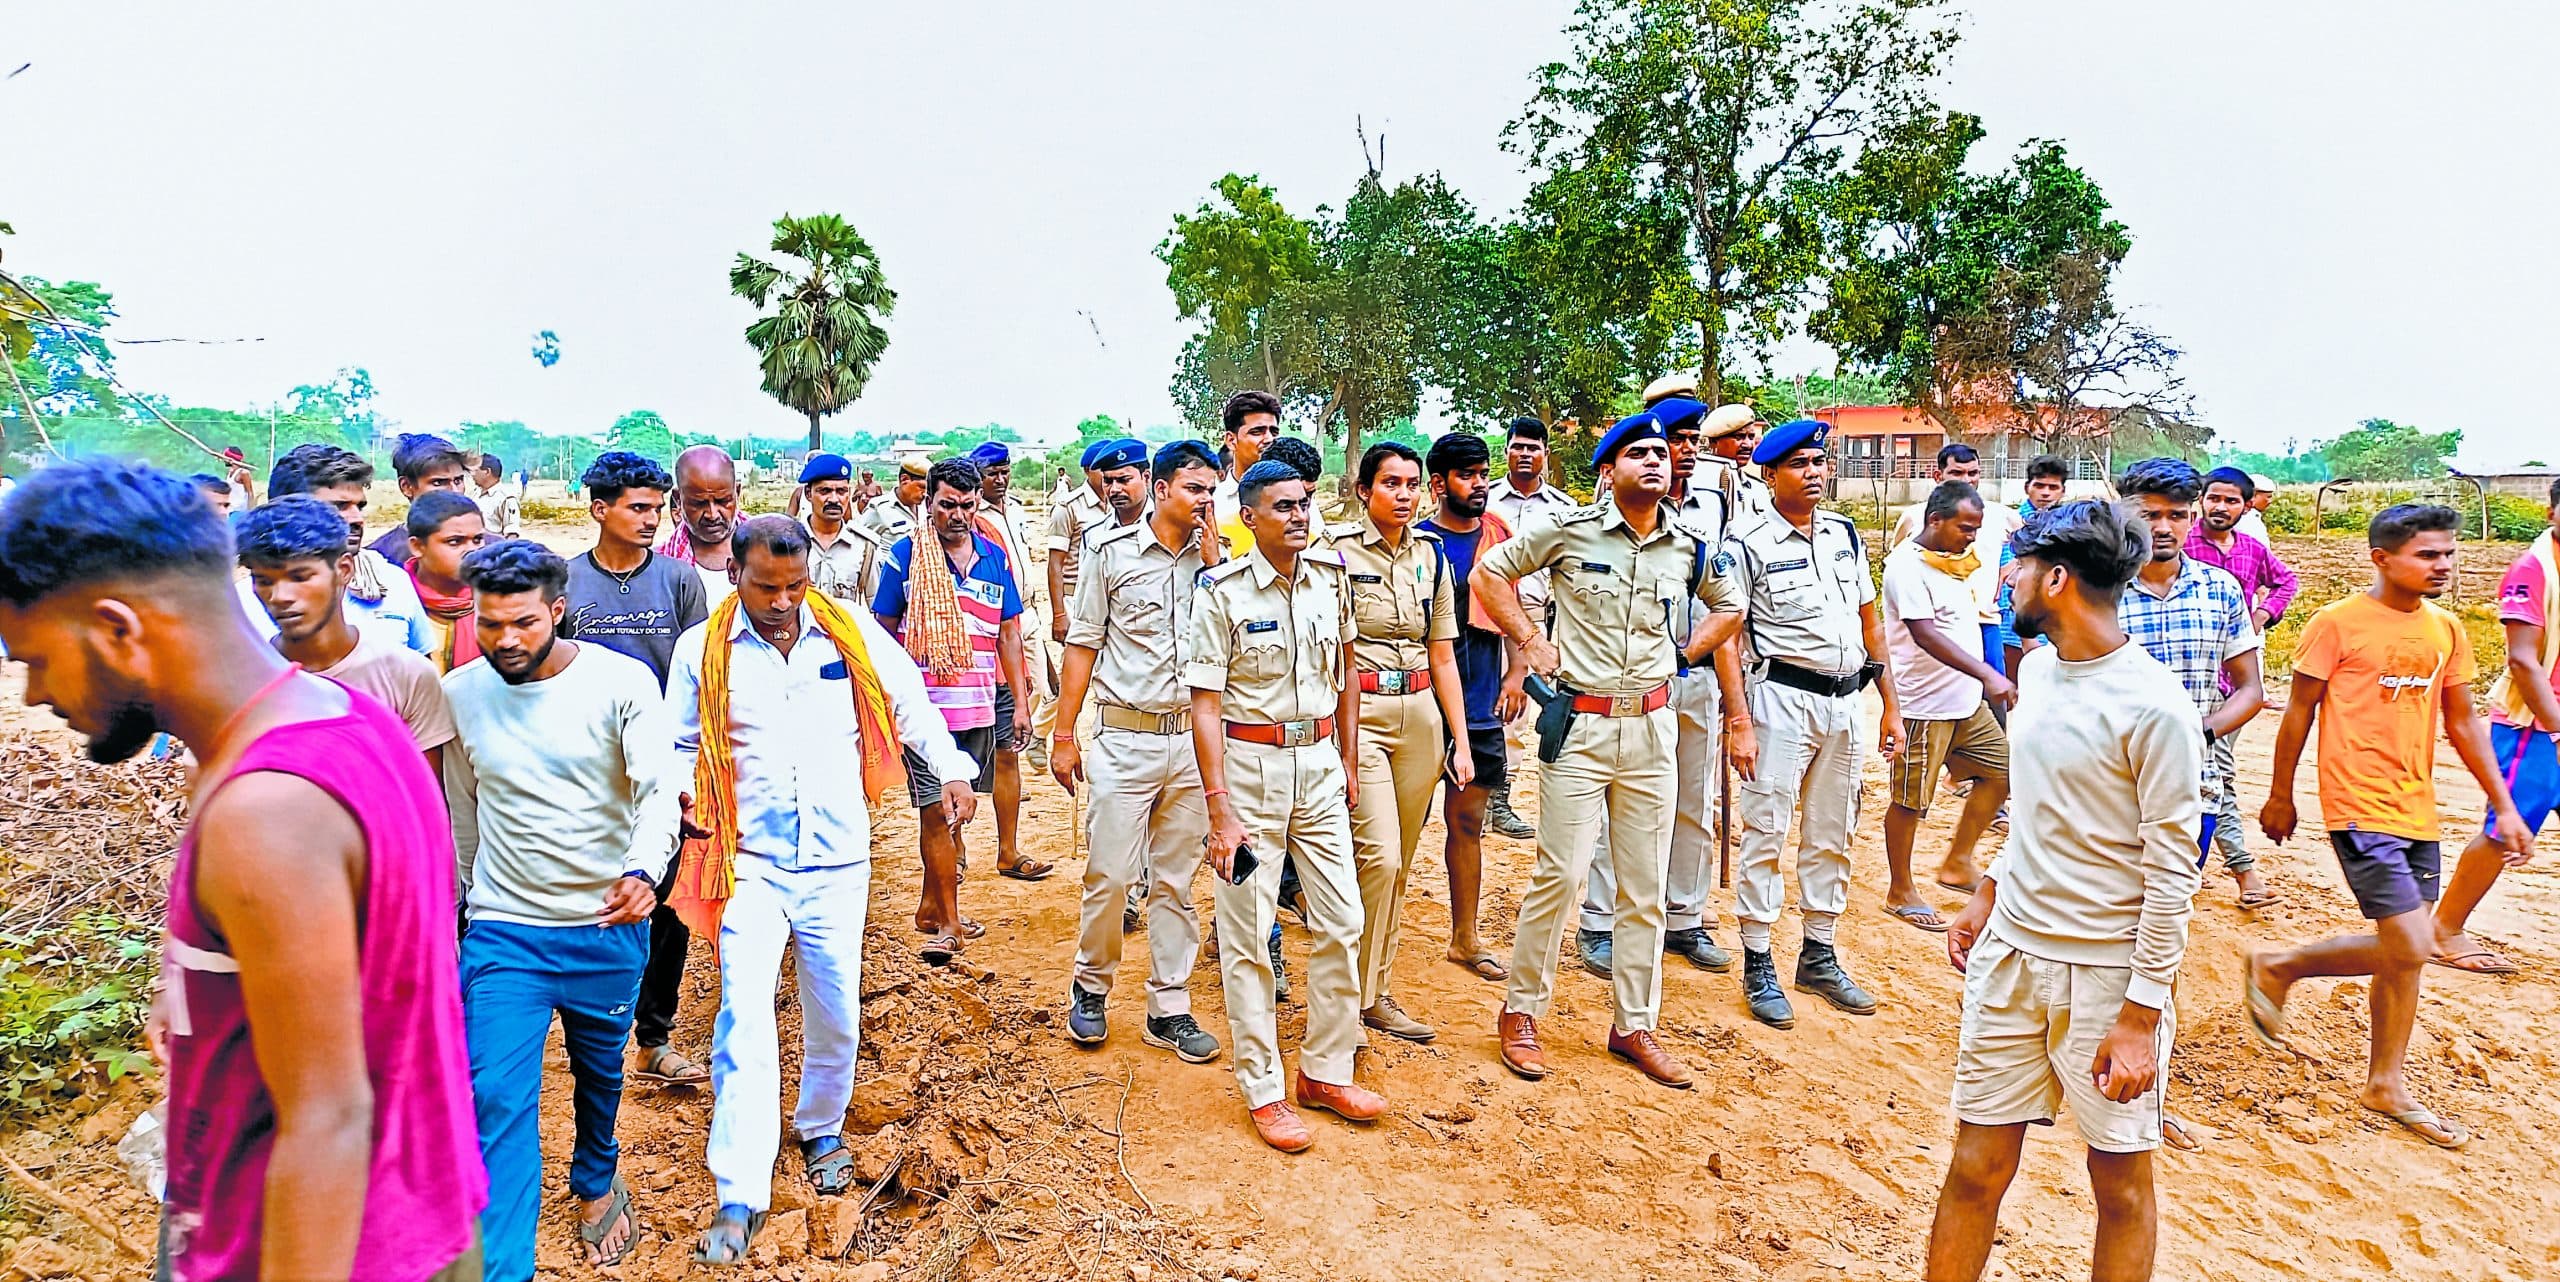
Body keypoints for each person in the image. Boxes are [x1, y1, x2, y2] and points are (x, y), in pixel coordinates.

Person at [0, 459, 483, 1282]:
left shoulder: (267, 810)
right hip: (418, 1216)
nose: (37, 693)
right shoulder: (346, 721)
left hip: (315, 1248)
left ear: (119, 628)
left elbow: (328, 1120)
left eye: (37, 658)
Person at [665, 517, 981, 1262]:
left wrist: (957, 771)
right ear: (734, 575)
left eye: (794, 586)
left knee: (835, 1009)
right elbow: (677, 745)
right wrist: (678, 797)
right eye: (765, 587)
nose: (781, 602)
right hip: (748, 864)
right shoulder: (701, 652)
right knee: (744, 1016)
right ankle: (739, 1190)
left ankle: (820, 1126)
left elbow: (911, 705)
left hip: (839, 861)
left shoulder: (850, 634)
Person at [1925, 499, 2204, 1282]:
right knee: (1975, 1165)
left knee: (2118, 1185)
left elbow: (2172, 871)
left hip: (2107, 979)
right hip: (2013, 958)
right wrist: (1990, 890)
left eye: (2018, 565)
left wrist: (2141, 1017)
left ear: (2054, 578)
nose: (2005, 577)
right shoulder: (2038, 671)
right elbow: (2043, 811)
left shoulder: (2156, 709)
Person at [1472, 411, 1744, 1088]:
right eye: (1639, 453)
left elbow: (1730, 606)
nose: (1656, 461)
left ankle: (1634, 1024)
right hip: (1582, 726)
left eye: (1662, 452)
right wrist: (1532, 643)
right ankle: (1521, 1012)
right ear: (1608, 470)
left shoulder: (1687, 544)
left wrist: (1684, 655)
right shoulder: (1570, 530)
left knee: (1644, 887)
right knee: (1559, 874)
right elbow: (1488, 575)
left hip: (1651, 727)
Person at [2249, 504, 2532, 1150]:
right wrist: (2280, 793)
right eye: (2427, 555)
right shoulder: (2336, 624)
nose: (2443, 566)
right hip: (2357, 803)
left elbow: (2462, 723)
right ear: (2382, 558)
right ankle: (2280, 966)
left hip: (2418, 809)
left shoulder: (2447, 630)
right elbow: (2297, 712)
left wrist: (2504, 806)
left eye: (2449, 554)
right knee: (2410, 943)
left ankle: (2386, 1083)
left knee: (2403, 960)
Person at [443, 539, 678, 1277]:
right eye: (490, 625)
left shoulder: (622, 682)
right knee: (494, 1097)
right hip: (506, 931)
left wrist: (645, 872)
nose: (505, 641)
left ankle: (595, 1178)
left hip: (606, 926)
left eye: (523, 623)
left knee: (599, 1073)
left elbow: (657, 792)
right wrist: (460, 913)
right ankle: (502, 1267)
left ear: (557, 610)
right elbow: (462, 815)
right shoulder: (459, 693)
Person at [1184, 457, 1381, 1151]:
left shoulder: (1331, 579)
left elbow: (1349, 671)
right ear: (1250, 517)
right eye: (1282, 507)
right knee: (1247, 937)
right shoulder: (1222, 591)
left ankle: (1325, 1070)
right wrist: (1219, 809)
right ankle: (1264, 1088)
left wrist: (1348, 761)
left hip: (1319, 766)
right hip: (1248, 772)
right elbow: (1204, 706)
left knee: (1343, 920)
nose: (1298, 515)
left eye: (1304, 504)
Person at [1049, 439, 1225, 1061]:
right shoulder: (1110, 554)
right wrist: (1065, 733)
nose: (1205, 501)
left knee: (1177, 881)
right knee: (1110, 874)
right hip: (1125, 738)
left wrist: (1212, 567)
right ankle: (1091, 986)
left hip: (1195, 741)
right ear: (1161, 486)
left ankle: (1169, 1005)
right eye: (1194, 489)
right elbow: (1083, 644)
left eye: (1212, 490)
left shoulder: (1220, 565)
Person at [1728, 419, 1902, 1029]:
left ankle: (1819, 953)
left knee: (1834, 830)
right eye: (1799, 464)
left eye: (1819, 462)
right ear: (1768, 473)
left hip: (1845, 703)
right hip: (1780, 698)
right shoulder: (1744, 542)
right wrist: (1739, 720)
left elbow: (1868, 620)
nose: (1814, 472)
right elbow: (1727, 635)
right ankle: (1757, 958)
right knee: (1766, 829)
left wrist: (1890, 704)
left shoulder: (1844, 534)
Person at [1577, 395, 1745, 979]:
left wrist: (1728, 694)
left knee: (1694, 802)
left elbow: (1725, 602)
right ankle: (1599, 921)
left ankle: (1685, 917)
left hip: (1691, 673)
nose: (1687, 453)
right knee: (1611, 804)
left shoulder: (1717, 504)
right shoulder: (1612, 506)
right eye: (1679, 442)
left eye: (1694, 443)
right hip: (1623, 680)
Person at [563, 449, 711, 1085]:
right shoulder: (565, 582)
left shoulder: (679, 582)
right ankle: (588, 1035)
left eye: (658, 508)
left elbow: (706, 677)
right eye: (638, 508)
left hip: (663, 770)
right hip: (585, 773)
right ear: (600, 510)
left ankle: (654, 1036)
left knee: (667, 903)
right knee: (587, 902)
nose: (653, 519)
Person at [1327, 442, 1473, 1043]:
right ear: (1364, 490)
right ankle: (1345, 994)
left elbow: (1444, 654)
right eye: (1391, 484)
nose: (1406, 494)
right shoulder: (1333, 556)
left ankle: (1374, 993)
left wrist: (1459, 741)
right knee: (1376, 855)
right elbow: (1334, 648)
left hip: (1420, 714)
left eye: (1414, 484)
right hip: (1359, 710)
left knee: (1402, 863)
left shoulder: (1433, 558)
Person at [873, 457, 1039, 963]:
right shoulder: (904, 558)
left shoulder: (994, 558)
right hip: (925, 716)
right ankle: (948, 922)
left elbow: (1008, 633)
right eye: (947, 505)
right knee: (937, 816)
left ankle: (929, 905)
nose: (958, 515)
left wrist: (1022, 702)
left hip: (979, 709)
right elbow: (882, 633)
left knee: (958, 813)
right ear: (929, 503)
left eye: (967, 506)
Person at [2114, 458, 2269, 908]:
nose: (2164, 527)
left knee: (2169, 910)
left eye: (2177, 515)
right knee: (2109, 914)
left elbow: (2249, 690)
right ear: (2126, 516)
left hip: (2193, 785)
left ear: (2192, 516)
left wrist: (2197, 731)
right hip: (2111, 782)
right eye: (2150, 515)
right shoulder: (2098, 590)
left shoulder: (2220, 590)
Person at [2433, 478, 2560, 974]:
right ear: (2552, 513)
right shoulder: (2533, 571)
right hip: (2535, 724)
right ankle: (2444, 928)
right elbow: (2524, 662)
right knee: (2506, 828)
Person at [237, 497, 456, 771]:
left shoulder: (406, 676)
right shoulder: (243, 686)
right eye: (264, 581)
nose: (280, 597)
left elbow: (426, 796)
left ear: (343, 570)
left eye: (300, 577)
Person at [1418, 431, 1526, 986]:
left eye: (1484, 473)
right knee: (1394, 829)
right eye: (1467, 475)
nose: (1480, 484)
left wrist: (1517, 673)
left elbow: (1513, 607)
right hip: (1418, 702)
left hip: (1482, 693)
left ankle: (1466, 937)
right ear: (1439, 484)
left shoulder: (1499, 540)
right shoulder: (1417, 543)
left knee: (1467, 820)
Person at [1880, 481, 2012, 932]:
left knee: (2002, 772)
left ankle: (1957, 862)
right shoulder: (1906, 567)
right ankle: (1900, 889)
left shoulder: (1954, 562)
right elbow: (1924, 633)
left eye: (1976, 528)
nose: (1971, 536)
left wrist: (1978, 680)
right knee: (1911, 800)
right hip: (1922, 705)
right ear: (1934, 521)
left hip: (1963, 703)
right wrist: (1987, 673)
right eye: (1965, 527)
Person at [240, 444, 437, 657]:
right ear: (286, 512)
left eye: (359, 507)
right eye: (337, 506)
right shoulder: (240, 606)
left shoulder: (392, 583)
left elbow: (422, 668)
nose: (357, 519)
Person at [1485, 415, 1579, 840]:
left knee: (1517, 710)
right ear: (1506, 451)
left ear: (1545, 453)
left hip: (1533, 620)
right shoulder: (1485, 500)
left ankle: (1500, 799)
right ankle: (1475, 795)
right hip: (1482, 618)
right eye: (1518, 447)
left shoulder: (1564, 510)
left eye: (1533, 448)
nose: (1525, 455)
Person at [969, 440, 1056, 778]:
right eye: (993, 474)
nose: (1001, 480)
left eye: (1005, 472)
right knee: (1011, 688)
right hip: (1001, 618)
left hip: (1030, 611)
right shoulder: (975, 516)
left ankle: (1033, 737)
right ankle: (1007, 759)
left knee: (1047, 690)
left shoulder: (1016, 509)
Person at [403, 490, 489, 674]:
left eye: (477, 540)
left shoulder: (495, 602)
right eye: (455, 542)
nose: (471, 551)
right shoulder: (394, 603)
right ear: (417, 547)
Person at [799, 452, 888, 604]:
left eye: (841, 491)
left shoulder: (865, 545)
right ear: (808, 494)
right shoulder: (789, 541)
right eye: (825, 491)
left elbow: (874, 605)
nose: (834, 499)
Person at [365, 433, 470, 563]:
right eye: (438, 483)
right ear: (407, 487)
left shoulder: (493, 550)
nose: (455, 491)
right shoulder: (378, 558)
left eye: (458, 481)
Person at [659, 445, 743, 600]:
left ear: (737, 492)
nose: (712, 515)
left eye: (723, 501)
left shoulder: (772, 546)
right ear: (678, 499)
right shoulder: (658, 567)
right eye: (698, 504)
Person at [1211, 390, 1286, 557]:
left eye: (1273, 432)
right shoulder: (1213, 504)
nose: (1269, 440)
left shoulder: (1299, 499)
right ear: (1231, 440)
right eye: (1257, 432)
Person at [473, 453, 522, 538]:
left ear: (487, 472)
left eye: (475, 470)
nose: (472, 474)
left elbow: (512, 533)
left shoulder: (506, 498)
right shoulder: (474, 494)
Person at [2235, 473, 2278, 546]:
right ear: (2253, 495)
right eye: (2268, 497)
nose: (2270, 501)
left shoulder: (2252, 516)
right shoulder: (2246, 520)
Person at [222, 445, 256, 513]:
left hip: (239, 511)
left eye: (225, 457)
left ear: (230, 458)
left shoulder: (244, 473)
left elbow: (250, 493)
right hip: (230, 510)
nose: (223, 460)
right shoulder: (230, 472)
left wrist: (250, 512)